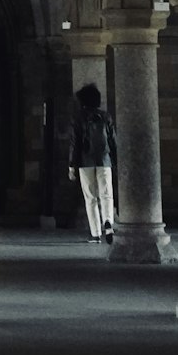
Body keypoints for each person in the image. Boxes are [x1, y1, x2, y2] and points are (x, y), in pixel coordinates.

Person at [68, 82, 117, 243]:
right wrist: (115, 160)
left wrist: (71, 165)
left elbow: (75, 143)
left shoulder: (78, 118)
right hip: (105, 159)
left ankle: (95, 233)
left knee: (90, 197)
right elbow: (113, 141)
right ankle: (108, 221)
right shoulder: (106, 116)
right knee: (106, 194)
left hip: (85, 161)